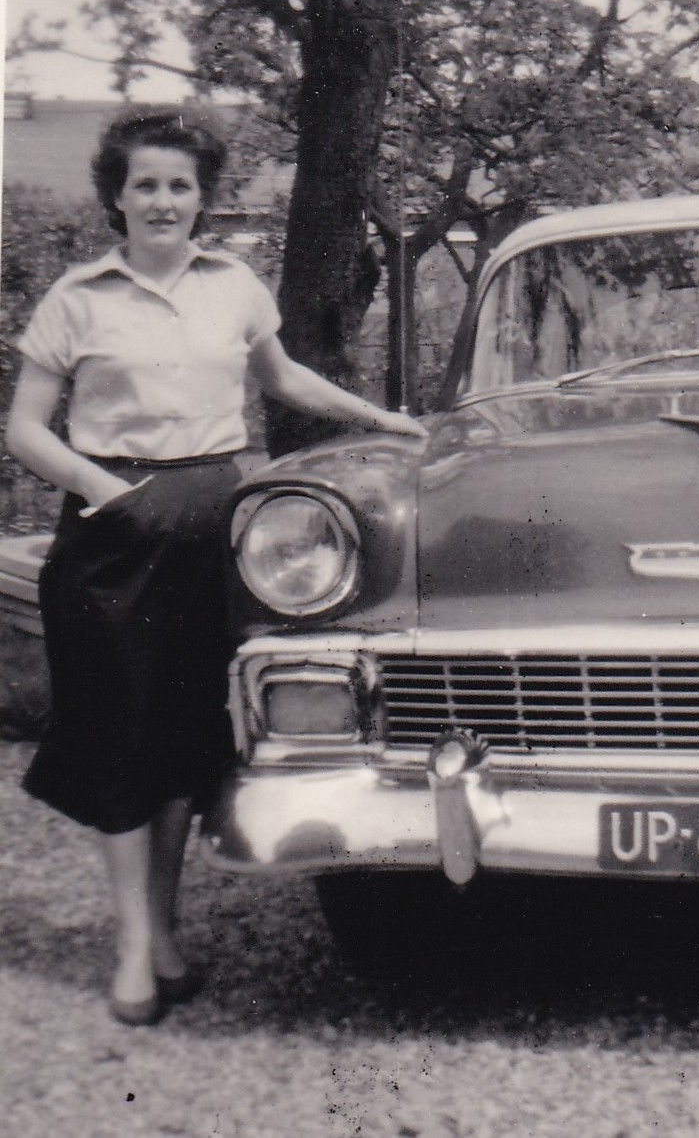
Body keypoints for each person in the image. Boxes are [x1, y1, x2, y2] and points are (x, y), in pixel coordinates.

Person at [5, 109, 426, 1026]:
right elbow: (25, 430)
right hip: (112, 535)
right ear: (117, 197)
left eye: (179, 186)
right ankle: (132, 946)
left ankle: (164, 933)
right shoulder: (77, 297)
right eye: (145, 185)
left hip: (209, 527)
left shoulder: (232, 284)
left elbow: (284, 379)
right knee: (119, 740)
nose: (163, 201)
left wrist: (380, 419)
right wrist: (103, 488)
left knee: (183, 740)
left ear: (202, 198)